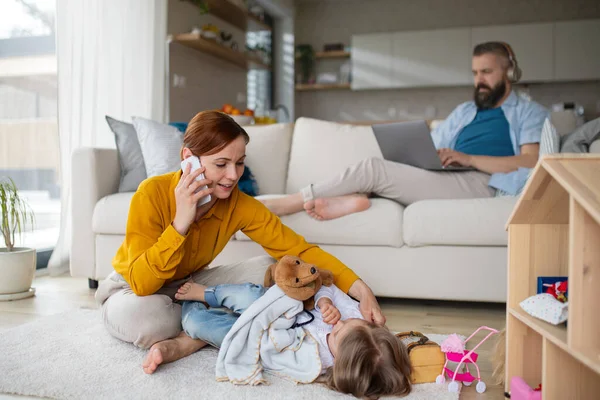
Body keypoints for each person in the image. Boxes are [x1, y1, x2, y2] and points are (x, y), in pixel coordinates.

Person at [94, 110, 385, 375]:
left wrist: (361, 289)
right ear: (188, 159)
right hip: (132, 288)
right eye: (221, 164)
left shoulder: (239, 204)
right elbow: (144, 283)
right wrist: (181, 222)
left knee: (276, 273)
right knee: (150, 322)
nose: (233, 176)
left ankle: (191, 337)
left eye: (239, 163)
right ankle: (204, 328)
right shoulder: (151, 194)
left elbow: (299, 251)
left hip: (189, 283)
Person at [262, 42, 549, 221]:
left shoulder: (528, 112)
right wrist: (427, 155)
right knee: (391, 165)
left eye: (487, 72)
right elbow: (433, 147)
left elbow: (531, 162)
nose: (479, 80)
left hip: (485, 181)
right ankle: (354, 199)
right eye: (475, 73)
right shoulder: (465, 111)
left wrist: (469, 159)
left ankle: (290, 202)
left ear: (508, 73)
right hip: (450, 176)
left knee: (373, 168)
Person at [175, 280, 412, 399]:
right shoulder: (354, 314)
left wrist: (273, 334)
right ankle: (207, 294)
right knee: (249, 294)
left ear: (339, 361)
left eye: (338, 334)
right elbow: (327, 287)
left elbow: (273, 357)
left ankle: (189, 313)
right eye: (350, 323)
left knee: (203, 326)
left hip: (265, 336)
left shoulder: (316, 361)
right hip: (278, 306)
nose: (337, 323)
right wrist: (325, 302)